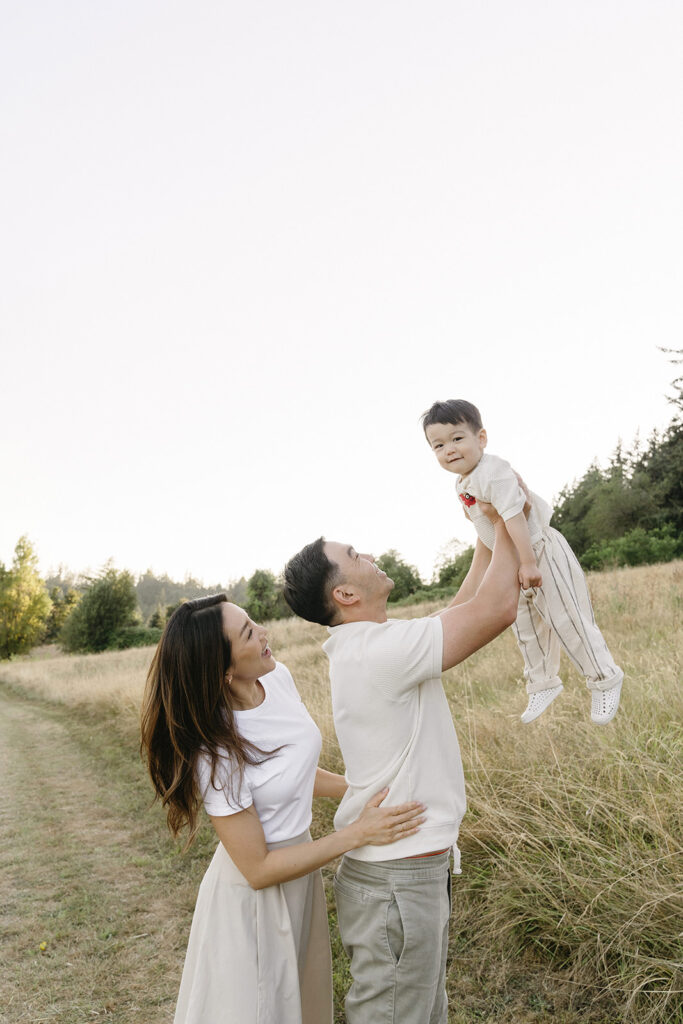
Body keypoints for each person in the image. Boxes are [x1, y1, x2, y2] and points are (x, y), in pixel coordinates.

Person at [140, 594, 426, 1024]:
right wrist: (357, 833)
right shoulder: (215, 753)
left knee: (302, 1005)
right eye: (249, 633)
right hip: (254, 899)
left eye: (254, 622)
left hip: (300, 876)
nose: (265, 633)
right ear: (223, 670)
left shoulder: (278, 680)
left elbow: (294, 774)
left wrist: (363, 787)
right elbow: (258, 869)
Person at [282, 514, 521, 1024]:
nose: (368, 555)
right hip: (397, 877)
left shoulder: (375, 644)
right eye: (354, 554)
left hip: (406, 870)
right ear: (345, 593)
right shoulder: (377, 652)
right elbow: (498, 609)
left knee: (418, 1012)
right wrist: (509, 519)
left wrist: (484, 532)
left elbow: (462, 612)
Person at [422, 398, 624, 726]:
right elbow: (485, 530)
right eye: (438, 445)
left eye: (457, 438)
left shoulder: (493, 470)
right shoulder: (463, 483)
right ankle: (543, 682)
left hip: (539, 551)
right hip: (512, 561)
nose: (449, 449)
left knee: (565, 618)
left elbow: (515, 514)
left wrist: (529, 562)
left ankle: (605, 677)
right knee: (525, 623)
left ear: (481, 438)